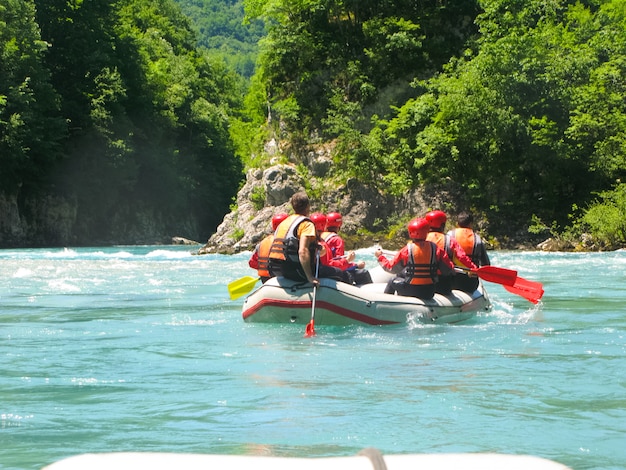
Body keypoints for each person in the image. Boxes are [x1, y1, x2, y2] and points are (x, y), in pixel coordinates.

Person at [374, 218, 455, 300]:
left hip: (412, 290)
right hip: (430, 291)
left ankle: (386, 304)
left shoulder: (407, 250)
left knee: (392, 281)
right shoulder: (436, 249)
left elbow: (390, 268)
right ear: (427, 232)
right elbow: (447, 269)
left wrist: (380, 257)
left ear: (410, 233)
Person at [268, 192, 318, 285]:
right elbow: (303, 251)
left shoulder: (284, 222)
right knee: (338, 273)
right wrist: (310, 277)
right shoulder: (306, 224)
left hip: (276, 270)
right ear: (308, 206)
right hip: (296, 271)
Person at [310, 213, 373, 285]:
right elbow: (337, 265)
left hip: (316, 272)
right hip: (329, 273)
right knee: (363, 273)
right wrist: (352, 263)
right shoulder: (335, 240)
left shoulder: (310, 240)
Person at [425, 210, 477, 294]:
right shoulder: (450, 240)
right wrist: (473, 269)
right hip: (442, 285)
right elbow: (462, 257)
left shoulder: (419, 241)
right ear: (443, 225)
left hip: (425, 283)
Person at [447, 211, 490, 292]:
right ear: (471, 224)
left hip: (451, 282)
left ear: (457, 223)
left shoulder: (449, 236)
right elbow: (486, 264)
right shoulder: (477, 239)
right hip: (470, 284)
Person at [248, 212, 289, 283]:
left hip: (265, 279)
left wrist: (263, 269)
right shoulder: (287, 241)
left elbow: (252, 263)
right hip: (281, 278)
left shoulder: (262, 243)